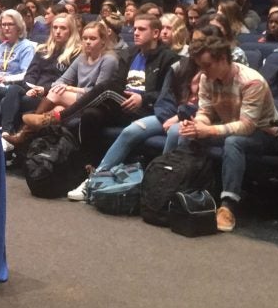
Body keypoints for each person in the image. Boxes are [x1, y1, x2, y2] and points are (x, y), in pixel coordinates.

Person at [175, 35, 278, 232]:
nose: (203, 71)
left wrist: (208, 130)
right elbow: (206, 112)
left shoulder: (251, 82)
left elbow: (247, 126)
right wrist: (196, 126)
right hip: (228, 126)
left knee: (234, 142)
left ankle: (227, 206)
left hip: (264, 134)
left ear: (223, 59)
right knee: (183, 133)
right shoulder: (207, 77)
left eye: (207, 65)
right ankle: (183, 190)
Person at [68, 54, 202, 201]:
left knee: (176, 132)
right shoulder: (180, 66)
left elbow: (207, 107)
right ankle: (95, 179)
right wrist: (170, 116)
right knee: (130, 131)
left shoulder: (212, 70)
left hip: (193, 118)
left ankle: (160, 185)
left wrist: (179, 117)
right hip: (168, 115)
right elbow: (166, 98)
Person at [3, 21, 120, 148]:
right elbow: (60, 80)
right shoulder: (82, 57)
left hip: (96, 103)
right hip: (78, 101)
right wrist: (61, 86)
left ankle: (23, 133)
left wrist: (70, 88)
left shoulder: (109, 60)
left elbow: (98, 92)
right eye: (85, 38)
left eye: (92, 38)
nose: (87, 42)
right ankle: (34, 151)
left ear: (103, 41)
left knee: (56, 94)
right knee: (56, 109)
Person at [0, 13, 81, 136]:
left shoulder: (77, 53)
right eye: (55, 27)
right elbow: (30, 74)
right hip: (34, 91)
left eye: (63, 28)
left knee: (9, 102)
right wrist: (30, 88)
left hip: (52, 96)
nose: (58, 31)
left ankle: (11, 135)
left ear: (71, 31)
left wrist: (44, 90)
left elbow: (70, 82)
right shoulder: (43, 50)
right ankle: (6, 132)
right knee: (14, 89)